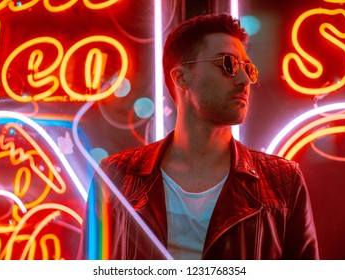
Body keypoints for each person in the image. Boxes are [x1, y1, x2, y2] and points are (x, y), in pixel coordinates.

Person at [78, 13, 319, 260]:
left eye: (248, 68)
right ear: (181, 77)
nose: (244, 80)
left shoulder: (283, 183)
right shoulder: (115, 179)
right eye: (228, 63)